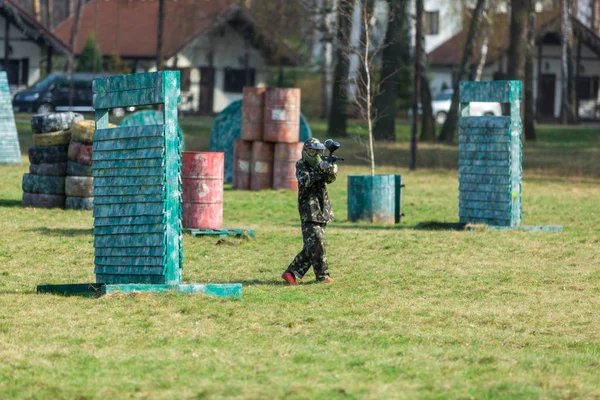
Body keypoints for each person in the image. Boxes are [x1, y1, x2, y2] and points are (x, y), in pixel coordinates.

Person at [282, 138, 338, 285]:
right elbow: (306, 181)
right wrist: (320, 168)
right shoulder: (301, 165)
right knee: (317, 242)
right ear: (306, 151)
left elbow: (330, 179)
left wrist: (330, 169)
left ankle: (291, 273)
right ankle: (323, 276)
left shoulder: (319, 164)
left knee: (312, 245)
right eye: (312, 151)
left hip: (322, 208)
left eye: (318, 151)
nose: (315, 154)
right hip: (309, 210)